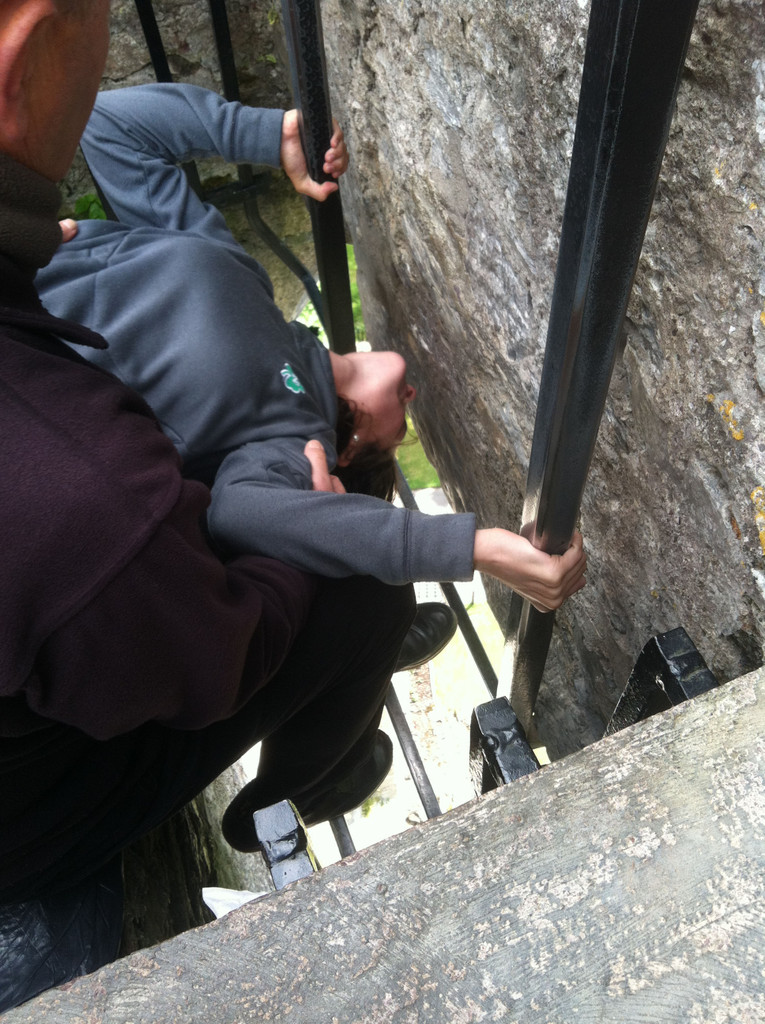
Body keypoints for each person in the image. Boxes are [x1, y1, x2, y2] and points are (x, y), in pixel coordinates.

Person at [0, 0, 416, 1008]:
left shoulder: (109, 262)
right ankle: (304, 787)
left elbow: (114, 129)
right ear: (26, 50)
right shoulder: (92, 497)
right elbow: (228, 640)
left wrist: (260, 133)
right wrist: (315, 519)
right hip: (23, 813)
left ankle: (324, 742)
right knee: (363, 584)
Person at [39, 82, 587, 611]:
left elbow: (238, 513)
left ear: (346, 453)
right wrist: (267, 135)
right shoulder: (245, 275)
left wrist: (474, 549)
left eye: (398, 435)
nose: (413, 395)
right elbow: (108, 126)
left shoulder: (291, 441)